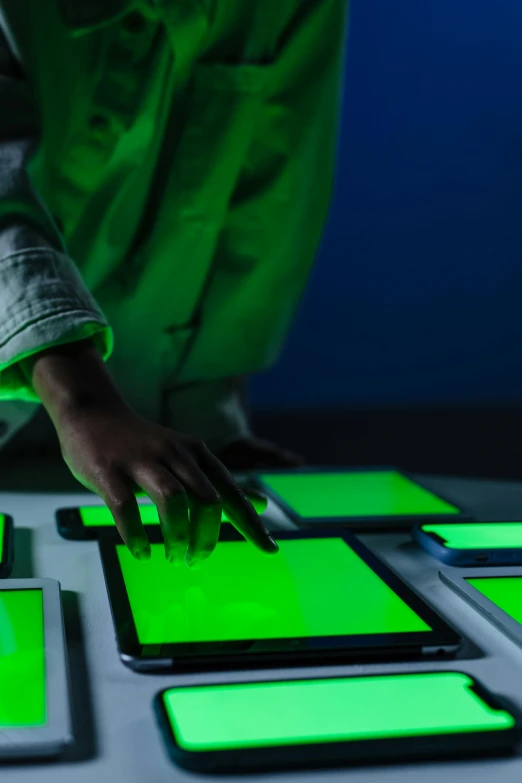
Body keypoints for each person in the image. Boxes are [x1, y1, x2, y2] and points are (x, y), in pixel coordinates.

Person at [0, 0, 347, 566]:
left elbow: (264, 211)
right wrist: (83, 400)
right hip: (86, 414)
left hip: (140, 416)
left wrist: (206, 419)